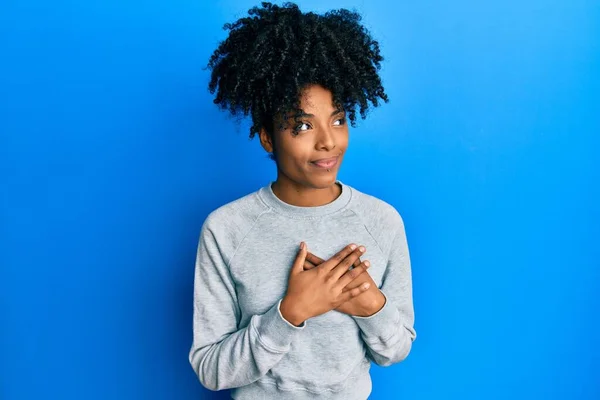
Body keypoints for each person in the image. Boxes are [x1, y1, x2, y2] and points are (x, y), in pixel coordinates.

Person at [189, 3, 416, 399]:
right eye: (303, 125)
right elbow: (210, 369)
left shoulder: (382, 221)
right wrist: (290, 312)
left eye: (339, 119)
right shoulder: (226, 228)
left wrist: (372, 307)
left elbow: (396, 350)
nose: (328, 141)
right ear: (266, 137)